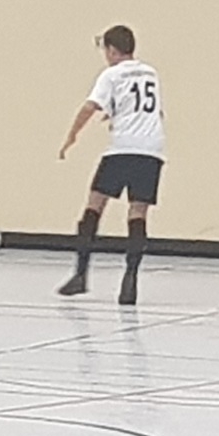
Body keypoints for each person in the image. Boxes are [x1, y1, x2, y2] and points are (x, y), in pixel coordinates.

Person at [58, 25, 164, 306]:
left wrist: (72, 136)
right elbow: (153, 110)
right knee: (138, 211)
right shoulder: (150, 73)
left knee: (94, 204)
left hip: (122, 148)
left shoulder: (111, 75)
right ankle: (130, 281)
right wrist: (118, 112)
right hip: (151, 150)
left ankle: (80, 274)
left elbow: (89, 107)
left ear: (113, 50)